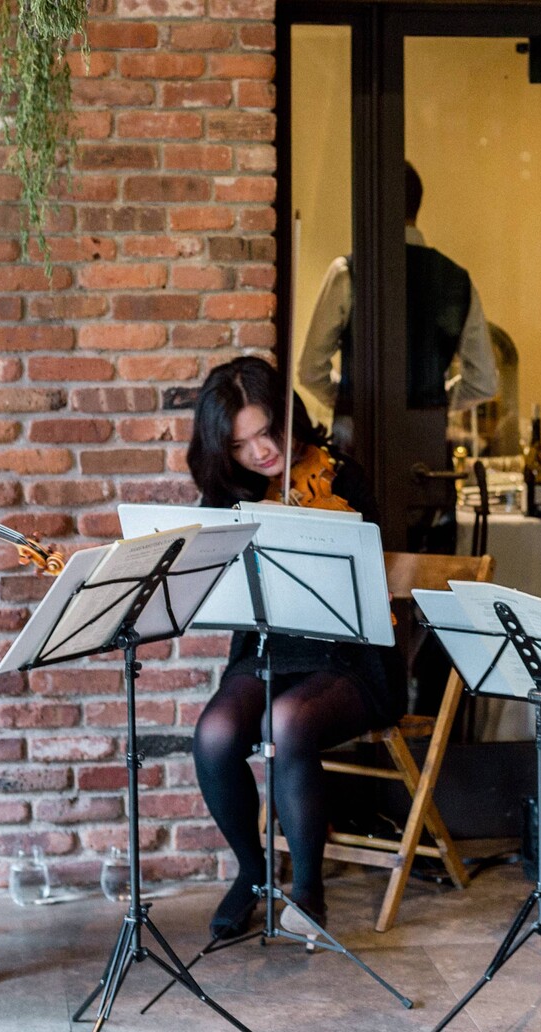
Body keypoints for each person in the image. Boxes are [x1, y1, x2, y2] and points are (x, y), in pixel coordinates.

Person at [187, 356, 399, 941]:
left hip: (349, 658)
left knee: (286, 721)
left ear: (289, 418)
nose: (260, 453)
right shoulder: (227, 494)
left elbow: (368, 582)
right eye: (239, 445)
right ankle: (253, 873)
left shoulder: (342, 477)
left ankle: (308, 889)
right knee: (215, 734)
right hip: (265, 650)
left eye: (267, 432)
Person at [297, 161, 497, 554]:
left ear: (372, 206)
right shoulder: (457, 279)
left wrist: (349, 397)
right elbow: (483, 382)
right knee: (427, 568)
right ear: (416, 206)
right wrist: (433, 403)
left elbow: (310, 370)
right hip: (426, 457)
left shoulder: (347, 271)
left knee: (357, 553)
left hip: (357, 447)